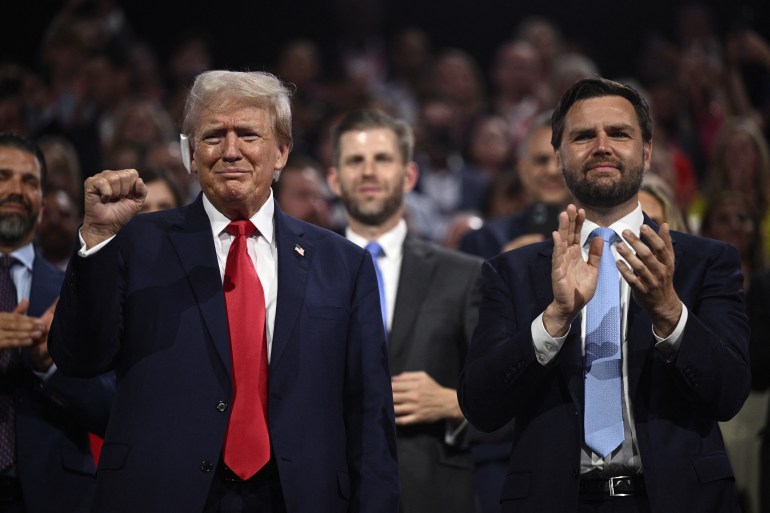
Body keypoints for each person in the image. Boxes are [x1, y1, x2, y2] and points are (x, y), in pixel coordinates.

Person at [49, 70, 399, 513]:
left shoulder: (344, 264)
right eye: (213, 135)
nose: (230, 150)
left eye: (248, 134)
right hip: (158, 494)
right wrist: (97, 239)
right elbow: (79, 357)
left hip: (299, 498)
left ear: (282, 153)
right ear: (191, 156)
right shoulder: (134, 243)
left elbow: (368, 416)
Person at [458, 77, 750, 512]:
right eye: (582, 136)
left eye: (618, 133)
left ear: (647, 151)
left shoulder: (706, 262)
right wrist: (554, 319)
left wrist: (670, 313)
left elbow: (729, 394)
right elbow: (481, 406)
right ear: (559, 157)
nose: (601, 145)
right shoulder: (511, 272)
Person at [327, 109, 482, 513]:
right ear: (334, 179)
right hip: (329, 491)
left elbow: (510, 396)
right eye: (355, 160)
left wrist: (456, 404)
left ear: (409, 176)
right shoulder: (302, 270)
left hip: (435, 494)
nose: (368, 171)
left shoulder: (463, 275)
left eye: (382, 159)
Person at [0, 133, 113, 512]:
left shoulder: (76, 290)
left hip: (56, 497)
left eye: (30, 182)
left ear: (43, 206)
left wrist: (51, 367)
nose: (17, 189)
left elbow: (114, 408)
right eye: (3, 177)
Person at [460, 110, 570, 260]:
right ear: (522, 169)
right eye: (541, 160)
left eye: (561, 160)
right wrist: (502, 271)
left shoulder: (603, 237)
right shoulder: (482, 241)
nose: (552, 171)